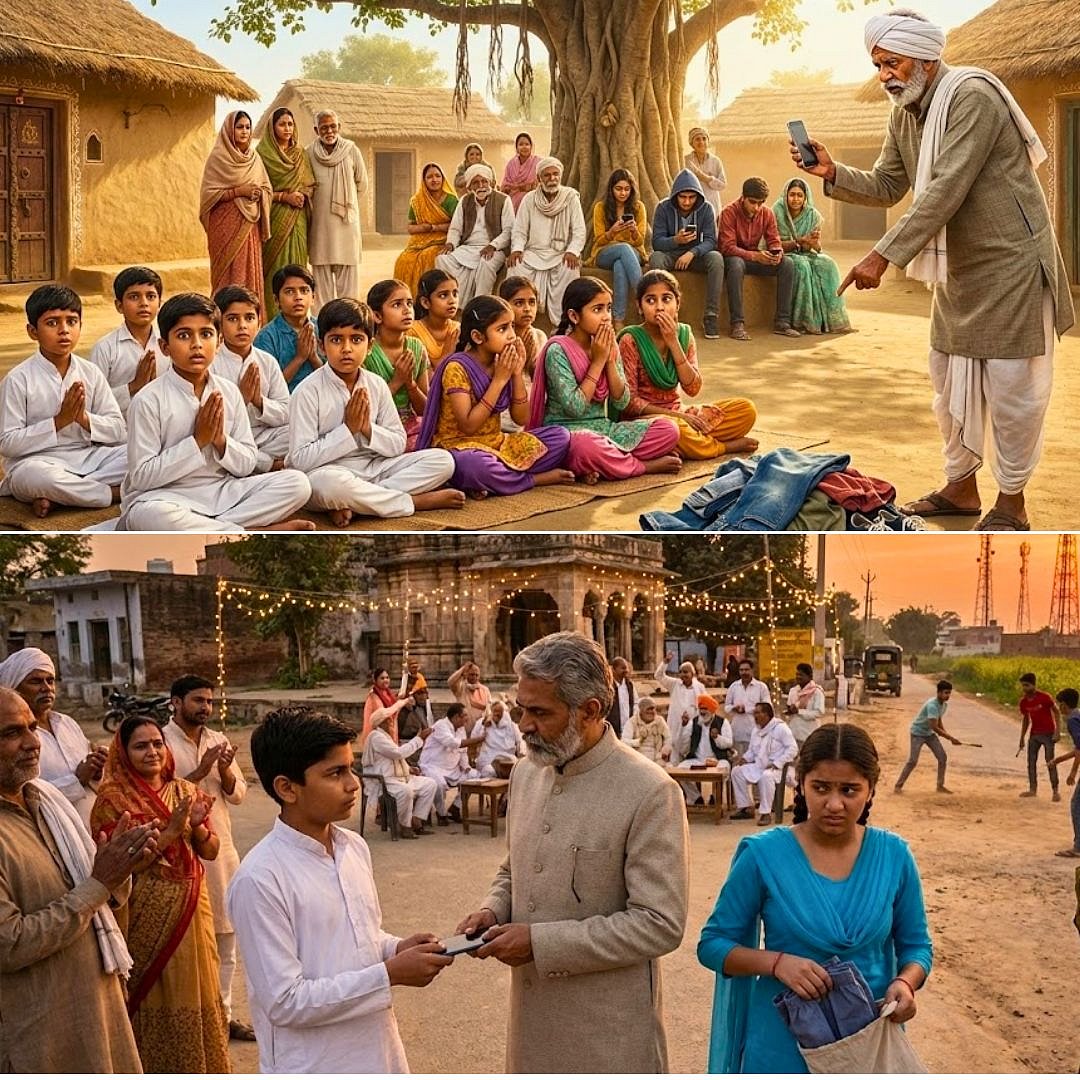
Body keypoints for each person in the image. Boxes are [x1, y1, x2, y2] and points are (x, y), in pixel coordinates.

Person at [796, 10, 1074, 533]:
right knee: (949, 381)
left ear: (926, 57)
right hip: (960, 269)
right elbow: (886, 183)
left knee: (1014, 386)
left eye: (892, 62)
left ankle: (1012, 502)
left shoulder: (973, 96)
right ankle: (961, 488)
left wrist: (882, 255)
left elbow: (947, 186)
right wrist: (832, 172)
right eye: (877, 64)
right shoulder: (903, 111)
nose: (885, 75)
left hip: (1012, 262)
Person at [456, 631, 689, 1072]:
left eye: (540, 712)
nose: (524, 724)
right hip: (532, 1021)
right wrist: (494, 908)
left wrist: (539, 942)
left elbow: (659, 925)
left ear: (590, 710)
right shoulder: (527, 774)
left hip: (608, 1032)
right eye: (523, 708)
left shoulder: (650, 792)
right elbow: (516, 865)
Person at [227, 707, 453, 1073]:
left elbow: (358, 937)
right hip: (314, 1062)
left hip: (375, 1049)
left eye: (351, 768)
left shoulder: (352, 847)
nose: (353, 784)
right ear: (287, 788)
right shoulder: (260, 879)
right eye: (335, 773)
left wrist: (396, 947)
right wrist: (389, 973)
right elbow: (285, 1001)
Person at [698, 722, 933, 1073]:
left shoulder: (894, 856)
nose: (834, 804)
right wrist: (778, 963)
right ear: (801, 784)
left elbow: (917, 947)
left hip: (866, 1045)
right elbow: (713, 945)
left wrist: (905, 982)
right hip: (781, 1045)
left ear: (871, 791)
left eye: (849, 790)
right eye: (821, 788)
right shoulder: (764, 856)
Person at [0, 687, 149, 1073]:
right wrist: (99, 884)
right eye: (12, 733)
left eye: (32, 727)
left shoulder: (46, 800)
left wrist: (116, 872)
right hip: (38, 1034)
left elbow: (94, 892)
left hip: (98, 1008)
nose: (33, 743)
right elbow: (9, 943)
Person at [90, 715, 231, 1073]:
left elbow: (211, 850)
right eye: (141, 745)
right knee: (154, 989)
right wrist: (171, 830)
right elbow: (118, 865)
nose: (152, 751)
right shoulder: (111, 800)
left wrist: (197, 826)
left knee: (200, 982)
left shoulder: (185, 790)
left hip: (193, 906)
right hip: (144, 911)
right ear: (122, 753)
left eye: (157, 743)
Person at [119, 292, 313, 532]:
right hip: (168, 497)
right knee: (147, 516)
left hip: (223, 490)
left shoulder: (228, 392)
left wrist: (220, 441)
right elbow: (142, 477)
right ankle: (246, 530)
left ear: (219, 341)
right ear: (164, 347)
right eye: (184, 336)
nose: (197, 344)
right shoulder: (148, 399)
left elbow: (246, 464)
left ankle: (217, 528)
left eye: (206, 334)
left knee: (297, 483)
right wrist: (197, 441)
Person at [286, 297, 461, 526]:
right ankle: (413, 502)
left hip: (376, 468)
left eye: (356, 340)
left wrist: (367, 429)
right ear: (322, 346)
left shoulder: (376, 384)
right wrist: (348, 431)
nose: (346, 349)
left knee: (443, 461)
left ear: (369, 347)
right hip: (329, 472)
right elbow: (299, 460)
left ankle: (358, 505)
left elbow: (398, 443)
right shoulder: (307, 391)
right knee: (329, 486)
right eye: (336, 340)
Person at [162, 674, 253, 1042]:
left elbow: (239, 796)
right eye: (198, 700)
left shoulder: (218, 740)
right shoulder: (160, 743)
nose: (205, 707)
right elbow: (163, 796)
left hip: (221, 851)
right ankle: (192, 1022)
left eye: (209, 702)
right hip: (178, 852)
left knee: (226, 940)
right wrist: (201, 771)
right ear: (175, 702)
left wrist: (226, 769)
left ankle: (223, 1018)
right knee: (186, 943)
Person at [415, 295, 574, 496]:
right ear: (478, 337)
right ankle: (534, 479)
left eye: (511, 327)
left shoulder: (503, 361)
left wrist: (516, 373)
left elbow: (521, 418)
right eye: (502, 329)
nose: (511, 336)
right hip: (460, 447)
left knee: (561, 437)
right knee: (476, 466)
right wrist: (499, 381)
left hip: (498, 443)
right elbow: (468, 425)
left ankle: (490, 482)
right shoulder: (457, 368)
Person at [529, 277, 681, 481]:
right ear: (574, 316)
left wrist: (609, 359)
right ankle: (642, 466)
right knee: (586, 446)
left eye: (608, 308)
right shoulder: (558, 350)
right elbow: (575, 407)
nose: (606, 317)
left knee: (668, 429)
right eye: (597, 309)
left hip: (605, 429)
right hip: (568, 433)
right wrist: (598, 361)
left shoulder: (606, 343)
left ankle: (602, 464)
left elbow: (622, 401)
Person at [0, 285, 126, 518]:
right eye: (52, 323)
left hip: (90, 459)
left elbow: (119, 430)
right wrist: (59, 421)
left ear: (80, 325)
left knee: (139, 456)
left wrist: (84, 419)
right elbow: (7, 444)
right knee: (35, 478)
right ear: (32, 331)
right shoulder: (18, 379)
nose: (64, 330)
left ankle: (62, 498)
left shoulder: (91, 372)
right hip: (39, 463)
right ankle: (114, 494)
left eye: (71, 321)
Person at [619, 270, 759, 459]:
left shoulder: (684, 334)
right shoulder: (630, 339)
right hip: (648, 420)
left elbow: (693, 388)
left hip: (679, 411)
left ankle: (685, 446)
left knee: (745, 410)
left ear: (678, 304)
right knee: (674, 429)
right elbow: (629, 404)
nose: (659, 307)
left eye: (666, 299)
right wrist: (680, 418)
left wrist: (673, 343)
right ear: (639, 306)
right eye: (651, 301)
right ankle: (722, 447)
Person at [0, 647, 104, 828]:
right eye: (35, 681)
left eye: (50, 680)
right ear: (13, 688)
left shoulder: (67, 724)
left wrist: (97, 766)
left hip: (91, 827)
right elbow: (23, 795)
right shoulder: (14, 741)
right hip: (52, 831)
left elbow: (89, 773)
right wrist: (77, 780)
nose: (46, 688)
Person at [213, 284, 292, 473]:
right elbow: (210, 421)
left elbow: (286, 412)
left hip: (265, 436)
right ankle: (269, 464)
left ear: (259, 322)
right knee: (213, 445)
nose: (242, 326)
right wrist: (241, 399)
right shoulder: (211, 363)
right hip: (229, 437)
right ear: (219, 323)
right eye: (232, 319)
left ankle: (253, 461)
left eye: (249, 318)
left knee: (299, 430)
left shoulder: (267, 361)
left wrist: (259, 402)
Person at [199, 110, 271, 299]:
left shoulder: (255, 159)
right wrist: (239, 192)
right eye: (239, 127)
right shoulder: (218, 158)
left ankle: (249, 316)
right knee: (226, 272)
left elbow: (266, 187)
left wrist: (258, 193)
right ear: (229, 130)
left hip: (250, 225)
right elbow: (209, 194)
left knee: (249, 270)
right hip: (224, 224)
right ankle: (223, 316)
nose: (244, 131)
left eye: (248, 127)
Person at [719, 177, 802, 341]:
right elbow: (727, 247)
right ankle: (737, 324)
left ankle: (782, 322)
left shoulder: (767, 213)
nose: (757, 207)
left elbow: (774, 240)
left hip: (756, 258)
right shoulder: (728, 212)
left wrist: (776, 253)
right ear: (743, 197)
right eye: (753, 202)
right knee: (735, 265)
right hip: (735, 258)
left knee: (788, 264)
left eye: (761, 203)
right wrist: (755, 256)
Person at [508, 157, 587, 326]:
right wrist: (517, 249)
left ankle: (562, 324)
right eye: (547, 175)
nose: (552, 179)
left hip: (560, 254)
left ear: (561, 175)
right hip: (533, 253)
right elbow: (520, 230)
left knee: (570, 268)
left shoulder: (570, 197)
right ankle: (514, 319)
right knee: (515, 266)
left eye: (555, 174)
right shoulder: (529, 199)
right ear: (539, 178)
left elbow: (579, 231)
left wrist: (573, 251)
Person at [648, 168, 724, 340]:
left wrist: (692, 252)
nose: (687, 202)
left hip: (695, 256)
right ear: (676, 195)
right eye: (683, 197)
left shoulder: (706, 209)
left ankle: (711, 316)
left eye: (691, 197)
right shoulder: (663, 207)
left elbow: (711, 240)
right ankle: (663, 315)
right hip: (671, 254)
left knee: (716, 258)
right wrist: (676, 240)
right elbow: (657, 242)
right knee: (656, 258)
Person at [257, 106, 316, 316]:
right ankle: (273, 315)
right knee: (274, 267)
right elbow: (259, 191)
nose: (287, 128)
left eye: (290, 124)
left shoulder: (300, 154)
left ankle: (299, 315)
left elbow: (310, 183)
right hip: (274, 217)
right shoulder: (262, 155)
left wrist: (303, 194)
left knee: (298, 263)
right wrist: (284, 197)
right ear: (272, 128)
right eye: (282, 124)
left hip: (298, 218)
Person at [773, 178, 851, 335]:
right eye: (792, 195)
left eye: (800, 196)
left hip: (806, 252)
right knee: (802, 266)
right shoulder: (776, 212)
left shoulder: (812, 215)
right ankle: (803, 321)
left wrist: (814, 244)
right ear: (785, 196)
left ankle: (833, 321)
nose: (795, 199)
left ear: (805, 197)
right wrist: (798, 242)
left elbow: (815, 247)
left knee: (828, 264)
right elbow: (772, 244)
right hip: (786, 253)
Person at [307, 110, 368, 308]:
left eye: (333, 126)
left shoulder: (352, 150)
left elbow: (362, 184)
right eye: (324, 127)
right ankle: (322, 327)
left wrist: (345, 205)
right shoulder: (309, 153)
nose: (329, 131)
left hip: (346, 224)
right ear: (316, 130)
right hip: (320, 225)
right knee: (321, 281)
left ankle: (349, 319)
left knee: (348, 285)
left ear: (339, 127)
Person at [88, 265, 168, 417]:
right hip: (120, 432)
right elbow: (93, 403)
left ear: (159, 304)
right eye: (134, 297)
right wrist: (133, 386)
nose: (144, 303)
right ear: (119, 306)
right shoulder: (105, 348)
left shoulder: (167, 344)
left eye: (151, 296)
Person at [365, 279, 431, 452]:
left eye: (409, 303)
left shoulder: (416, 347)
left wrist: (410, 384)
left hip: (412, 424)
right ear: (377, 316)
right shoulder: (367, 352)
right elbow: (366, 411)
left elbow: (426, 409)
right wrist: (396, 381)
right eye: (396, 304)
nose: (407, 310)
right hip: (380, 427)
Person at [436, 164, 515, 307]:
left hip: (494, 249)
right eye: (476, 182)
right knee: (442, 259)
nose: (481, 185)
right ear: (469, 186)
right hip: (467, 248)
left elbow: (509, 231)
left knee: (486, 264)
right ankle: (456, 303)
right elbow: (455, 229)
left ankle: (480, 305)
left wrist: (493, 245)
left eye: (484, 181)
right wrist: (451, 243)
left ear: (490, 182)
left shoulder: (503, 200)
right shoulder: (464, 201)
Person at [360, 699, 439, 837]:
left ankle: (416, 820)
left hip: (399, 777)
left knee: (430, 784)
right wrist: (419, 738)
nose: (391, 722)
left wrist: (408, 769)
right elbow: (397, 753)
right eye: (388, 720)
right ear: (381, 723)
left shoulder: (386, 736)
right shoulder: (376, 737)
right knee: (406, 791)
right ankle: (404, 825)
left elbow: (396, 758)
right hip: (384, 780)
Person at [587, 168, 647, 330]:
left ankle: (618, 320)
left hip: (633, 253)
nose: (623, 193)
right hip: (605, 252)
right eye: (618, 189)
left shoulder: (638, 207)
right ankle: (644, 296)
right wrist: (612, 231)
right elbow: (599, 240)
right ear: (611, 189)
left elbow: (640, 240)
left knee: (620, 264)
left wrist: (633, 230)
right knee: (623, 249)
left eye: (627, 189)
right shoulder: (601, 207)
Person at [253, 264, 322, 392]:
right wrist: (299, 358)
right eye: (289, 291)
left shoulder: (323, 328)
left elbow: (336, 379)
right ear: (276, 300)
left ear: (313, 298)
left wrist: (314, 358)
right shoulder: (266, 337)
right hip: (286, 406)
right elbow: (267, 389)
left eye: (304, 290)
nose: (298, 297)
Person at [393, 162, 458, 298]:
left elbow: (457, 225)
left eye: (437, 176)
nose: (434, 180)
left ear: (443, 178)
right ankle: (409, 299)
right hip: (419, 241)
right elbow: (410, 228)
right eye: (429, 177)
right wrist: (423, 228)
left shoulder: (451, 200)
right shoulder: (417, 201)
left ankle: (429, 298)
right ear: (424, 180)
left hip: (443, 239)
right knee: (403, 260)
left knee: (427, 256)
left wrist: (434, 227)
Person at [730, 702, 798, 826]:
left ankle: (765, 813)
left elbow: (793, 749)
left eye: (757, 713)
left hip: (779, 769)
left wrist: (777, 763)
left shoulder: (780, 728)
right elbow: (752, 751)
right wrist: (744, 759)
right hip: (760, 766)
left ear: (767, 715)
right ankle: (746, 808)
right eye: (754, 713)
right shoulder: (756, 730)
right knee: (736, 771)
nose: (754, 716)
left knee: (766, 776)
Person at [418, 702, 484, 824]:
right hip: (432, 766)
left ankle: (455, 807)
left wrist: (466, 766)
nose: (467, 719)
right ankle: (441, 813)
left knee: (475, 777)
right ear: (455, 717)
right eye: (464, 716)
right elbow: (453, 743)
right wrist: (479, 739)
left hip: (453, 769)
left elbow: (463, 751)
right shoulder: (440, 726)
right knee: (439, 785)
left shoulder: (460, 729)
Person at [893, 679, 961, 795]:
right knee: (913, 761)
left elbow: (939, 722)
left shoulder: (943, 705)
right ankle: (898, 786)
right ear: (939, 693)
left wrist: (948, 736)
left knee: (942, 757)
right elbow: (934, 726)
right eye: (946, 693)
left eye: (949, 693)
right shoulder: (932, 705)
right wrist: (950, 738)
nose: (948, 695)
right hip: (917, 733)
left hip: (929, 734)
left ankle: (940, 786)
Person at [673, 694, 732, 805]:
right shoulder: (693, 722)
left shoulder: (723, 722)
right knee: (680, 770)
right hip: (697, 759)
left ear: (711, 710)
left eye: (705, 709)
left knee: (723, 769)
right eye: (701, 709)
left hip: (718, 759)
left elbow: (729, 743)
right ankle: (696, 798)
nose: (702, 712)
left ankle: (715, 797)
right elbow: (682, 745)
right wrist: (684, 726)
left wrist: (717, 738)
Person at [1018, 672, 1061, 800]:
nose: (1025, 688)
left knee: (1050, 762)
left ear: (1034, 685)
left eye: (1027, 685)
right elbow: (1026, 720)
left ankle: (1055, 791)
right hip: (1034, 734)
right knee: (1031, 763)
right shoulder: (1024, 702)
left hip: (1048, 734)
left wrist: (1057, 731)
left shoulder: (1045, 697)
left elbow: (1057, 712)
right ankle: (1032, 789)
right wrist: (1021, 738)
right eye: (1023, 685)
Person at [498, 276, 547, 377]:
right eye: (519, 303)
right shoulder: (498, 336)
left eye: (532, 302)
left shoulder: (539, 336)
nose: (527, 309)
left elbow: (540, 378)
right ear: (504, 305)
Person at [410, 269, 461, 365]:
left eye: (455, 294)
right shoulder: (412, 332)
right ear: (425, 302)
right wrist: (446, 355)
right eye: (443, 295)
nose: (452, 300)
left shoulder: (458, 330)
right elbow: (426, 379)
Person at [1052, 688, 1080, 858]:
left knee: (1076, 805)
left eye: (1059, 704)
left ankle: (1078, 848)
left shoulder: (1072, 720)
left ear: (1063, 705)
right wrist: (1058, 760)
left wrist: (1072, 773)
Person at [725, 658, 772, 755]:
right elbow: (726, 707)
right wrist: (734, 708)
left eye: (746, 670)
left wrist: (747, 709)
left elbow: (767, 707)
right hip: (737, 730)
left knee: (753, 761)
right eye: (741, 670)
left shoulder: (761, 687)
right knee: (737, 761)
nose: (744, 672)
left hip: (755, 730)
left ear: (752, 670)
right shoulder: (734, 686)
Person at [655, 651, 707, 736]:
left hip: (692, 726)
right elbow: (658, 676)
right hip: (675, 725)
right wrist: (665, 662)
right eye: (681, 672)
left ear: (692, 674)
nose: (683, 674)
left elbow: (706, 705)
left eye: (686, 672)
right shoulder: (674, 684)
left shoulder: (699, 687)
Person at [472, 699, 524, 779]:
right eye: (494, 711)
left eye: (499, 711)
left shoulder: (511, 725)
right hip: (489, 759)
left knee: (517, 771)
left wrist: (521, 754)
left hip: (508, 759)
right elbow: (474, 739)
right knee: (489, 771)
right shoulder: (482, 722)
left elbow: (520, 742)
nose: (496, 714)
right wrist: (484, 726)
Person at [684, 127, 728, 218]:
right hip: (692, 206)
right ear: (692, 144)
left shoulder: (715, 161)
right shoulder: (686, 161)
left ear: (708, 141)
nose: (701, 142)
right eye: (697, 139)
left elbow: (722, 184)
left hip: (713, 206)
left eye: (704, 139)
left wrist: (706, 178)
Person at [784, 662, 826, 747]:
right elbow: (790, 709)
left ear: (809, 677)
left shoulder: (817, 692)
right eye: (797, 674)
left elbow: (819, 713)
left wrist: (799, 711)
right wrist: (789, 711)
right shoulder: (793, 691)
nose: (798, 677)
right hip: (793, 733)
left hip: (808, 734)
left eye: (801, 675)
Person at [623, 695, 673, 763]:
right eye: (648, 709)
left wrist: (665, 750)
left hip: (657, 758)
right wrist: (638, 741)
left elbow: (668, 738)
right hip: (637, 759)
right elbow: (624, 741)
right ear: (641, 711)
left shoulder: (659, 721)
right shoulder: (632, 722)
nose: (651, 712)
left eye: (653, 709)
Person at [501, 132, 540, 210]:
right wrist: (516, 188)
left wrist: (526, 188)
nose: (524, 147)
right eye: (521, 144)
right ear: (516, 147)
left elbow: (539, 184)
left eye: (527, 144)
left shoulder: (538, 162)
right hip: (513, 202)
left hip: (533, 201)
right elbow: (505, 185)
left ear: (531, 146)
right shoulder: (511, 164)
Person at [362, 668, 400, 745]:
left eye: (387, 678)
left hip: (390, 728)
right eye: (382, 678)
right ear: (375, 680)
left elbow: (391, 704)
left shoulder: (387, 691)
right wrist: (401, 703)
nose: (386, 680)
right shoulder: (373, 695)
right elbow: (383, 714)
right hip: (380, 731)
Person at [448, 661, 491, 725]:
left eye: (477, 675)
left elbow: (488, 710)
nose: (474, 677)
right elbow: (450, 682)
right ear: (466, 674)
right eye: (472, 674)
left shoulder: (485, 690)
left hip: (480, 728)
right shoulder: (461, 688)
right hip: (464, 728)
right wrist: (463, 669)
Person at [606, 655, 635, 738]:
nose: (626, 670)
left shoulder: (629, 685)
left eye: (626, 668)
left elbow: (634, 704)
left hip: (628, 729)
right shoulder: (608, 686)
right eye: (623, 668)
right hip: (613, 730)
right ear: (614, 670)